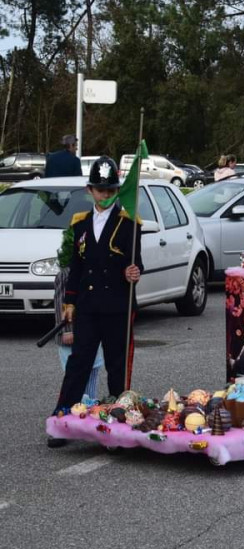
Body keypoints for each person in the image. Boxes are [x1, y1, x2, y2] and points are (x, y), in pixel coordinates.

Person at [49, 156, 143, 447]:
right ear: (90, 190)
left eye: (110, 190)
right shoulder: (81, 225)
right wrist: (70, 304)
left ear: (117, 191)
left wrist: (132, 273)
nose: (105, 195)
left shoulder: (129, 223)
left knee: (117, 367)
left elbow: (136, 263)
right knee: (79, 363)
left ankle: (117, 423)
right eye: (100, 190)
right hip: (89, 307)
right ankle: (62, 417)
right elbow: (76, 269)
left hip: (117, 304)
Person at [53, 230, 103, 401]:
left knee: (94, 368)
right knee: (76, 372)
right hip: (72, 333)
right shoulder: (66, 275)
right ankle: (77, 408)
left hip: (91, 330)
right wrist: (67, 329)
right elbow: (62, 302)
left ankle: (89, 404)